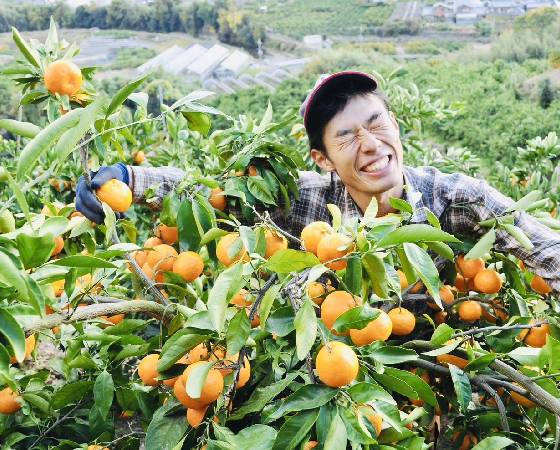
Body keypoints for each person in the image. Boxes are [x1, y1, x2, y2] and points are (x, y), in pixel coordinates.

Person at [76, 71, 560, 291]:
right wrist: (128, 178)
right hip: (334, 368)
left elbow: (547, 250)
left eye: (377, 123)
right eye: (347, 135)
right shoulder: (302, 202)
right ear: (323, 159)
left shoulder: (459, 198)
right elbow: (212, 191)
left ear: (396, 123)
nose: (370, 144)